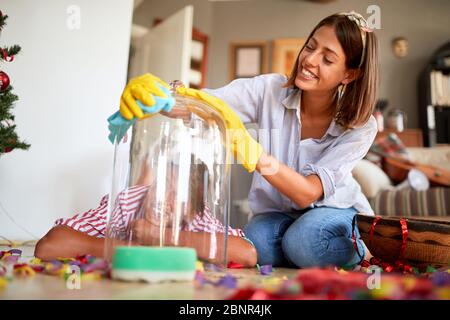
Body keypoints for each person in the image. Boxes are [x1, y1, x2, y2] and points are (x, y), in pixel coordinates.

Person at [115, 11, 379, 269]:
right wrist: (163, 96)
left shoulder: (361, 126)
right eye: (310, 47)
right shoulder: (269, 90)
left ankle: (353, 247)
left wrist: (254, 154)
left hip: (335, 209)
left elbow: (307, 193)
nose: (309, 59)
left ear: (349, 75)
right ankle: (296, 249)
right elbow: (207, 104)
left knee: (306, 241)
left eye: (327, 59)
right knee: (257, 245)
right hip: (279, 214)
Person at [34, 156, 257, 267]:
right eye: (162, 185)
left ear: (191, 209)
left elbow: (247, 254)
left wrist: (160, 238)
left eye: (177, 194)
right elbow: (49, 245)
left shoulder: (196, 216)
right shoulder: (128, 202)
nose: (163, 199)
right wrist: (127, 250)